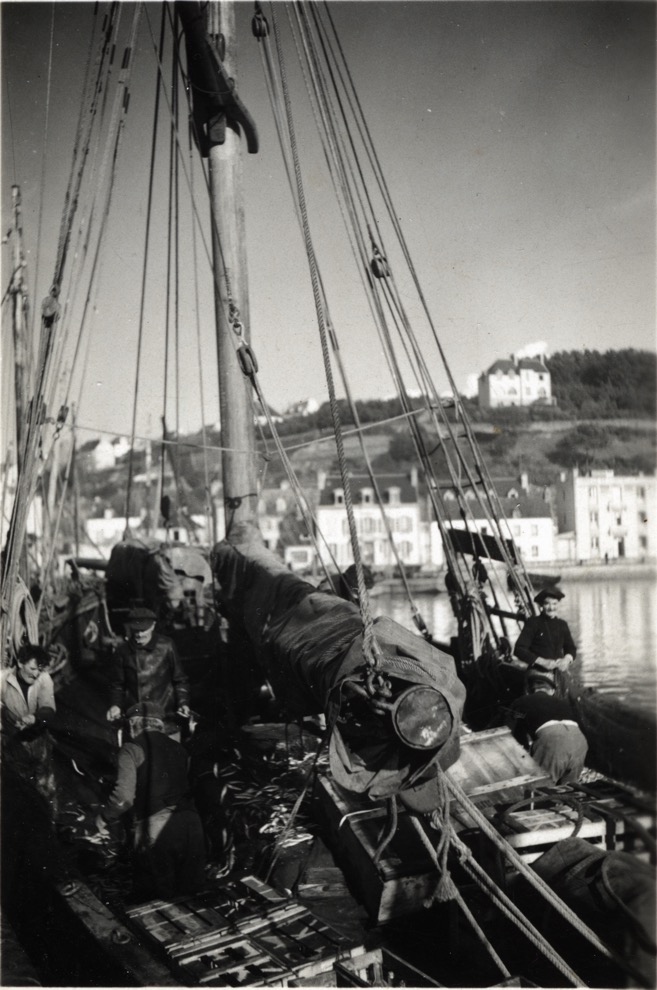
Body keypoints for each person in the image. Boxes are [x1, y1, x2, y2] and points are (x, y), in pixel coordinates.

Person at [95, 701, 206, 901]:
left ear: (133, 724)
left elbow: (123, 800)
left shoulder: (131, 749)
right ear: (159, 724)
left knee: (155, 903)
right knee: (192, 898)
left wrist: (104, 817)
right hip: (192, 824)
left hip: (157, 828)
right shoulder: (180, 749)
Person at [106, 606, 190, 738]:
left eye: (143, 630)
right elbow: (117, 685)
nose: (138, 635)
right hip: (136, 720)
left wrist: (183, 703)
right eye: (135, 630)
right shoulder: (122, 651)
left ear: (153, 626)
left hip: (166, 718)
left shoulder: (167, 646)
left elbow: (180, 680)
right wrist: (115, 705)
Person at [0, 643, 58, 817]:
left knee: (46, 785)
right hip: (13, 743)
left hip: (38, 740)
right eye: (32, 668)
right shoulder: (2, 679)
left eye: (39, 669)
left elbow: (48, 707)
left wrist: (34, 718)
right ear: (19, 663)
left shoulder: (44, 679)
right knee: (19, 789)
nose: (36, 673)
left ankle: (50, 822)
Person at [506, 672, 588, 784]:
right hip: (580, 740)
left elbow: (510, 733)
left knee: (539, 788)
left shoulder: (521, 701)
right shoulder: (565, 703)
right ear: (552, 691)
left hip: (554, 740)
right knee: (568, 789)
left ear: (529, 691)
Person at [513, 587, 577, 687]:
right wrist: (542, 662)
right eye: (547, 604)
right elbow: (519, 649)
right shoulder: (533, 623)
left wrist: (566, 659)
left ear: (558, 604)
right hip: (538, 674)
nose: (551, 608)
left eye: (554, 604)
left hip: (559, 674)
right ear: (541, 606)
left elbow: (571, 648)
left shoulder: (562, 624)